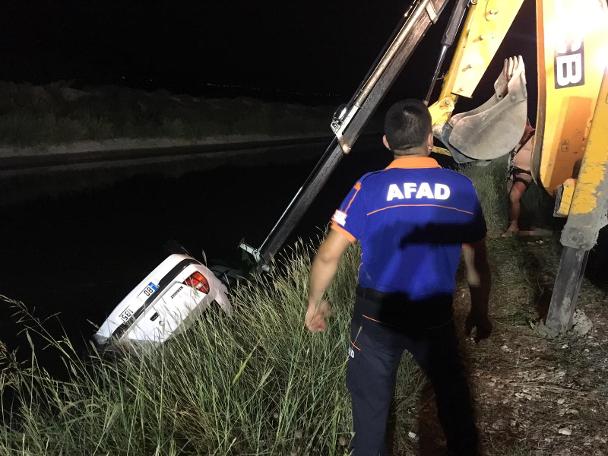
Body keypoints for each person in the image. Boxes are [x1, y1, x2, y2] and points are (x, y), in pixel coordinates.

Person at [304, 99, 492, 456]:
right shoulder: (460, 187)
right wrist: (480, 312)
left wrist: (315, 302)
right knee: (454, 406)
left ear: (387, 143)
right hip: (434, 317)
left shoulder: (368, 187)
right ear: (430, 138)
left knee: (370, 419)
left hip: (375, 319)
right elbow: (477, 261)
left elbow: (329, 254)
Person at [503, 120, 535, 236]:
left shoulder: (536, 135)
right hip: (512, 172)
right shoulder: (518, 136)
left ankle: (514, 226)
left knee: (514, 196)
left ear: (526, 123)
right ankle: (515, 223)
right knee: (510, 198)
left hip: (525, 172)